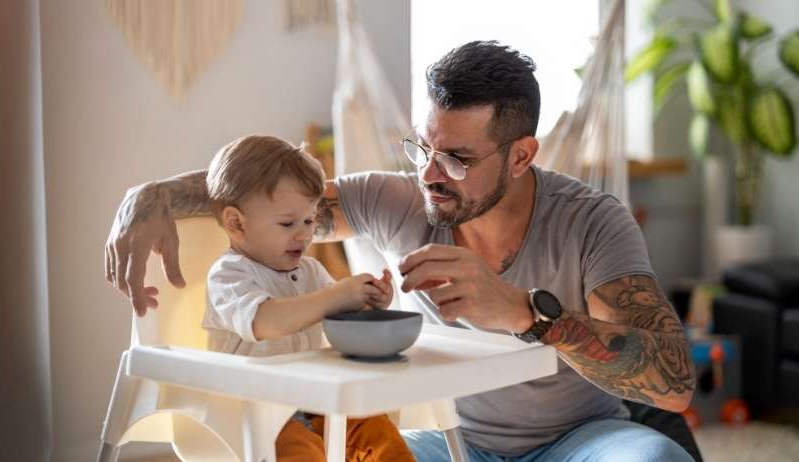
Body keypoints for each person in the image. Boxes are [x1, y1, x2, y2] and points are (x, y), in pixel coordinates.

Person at [105, 41, 696, 461]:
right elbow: (268, 199)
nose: (430, 174)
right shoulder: (398, 201)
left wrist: (526, 314)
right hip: (446, 439)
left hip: (582, 441)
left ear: (520, 157)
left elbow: (673, 383)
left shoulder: (592, 222)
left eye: (457, 159)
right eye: (423, 148)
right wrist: (151, 193)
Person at [201, 134, 413, 462]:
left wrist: (370, 302)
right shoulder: (229, 275)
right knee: (301, 452)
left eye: (310, 220)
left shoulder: (311, 271)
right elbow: (265, 321)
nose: (304, 234)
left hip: (316, 401)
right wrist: (337, 295)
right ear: (236, 224)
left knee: (378, 430)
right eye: (287, 223)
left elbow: (340, 317)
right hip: (253, 413)